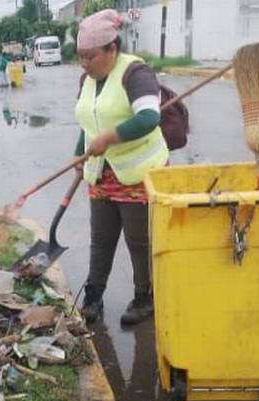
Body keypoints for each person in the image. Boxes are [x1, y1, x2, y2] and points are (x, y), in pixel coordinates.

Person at [73, 9, 169, 326]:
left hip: (139, 175)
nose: (85, 63)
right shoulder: (87, 80)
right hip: (101, 173)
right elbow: (88, 122)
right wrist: (79, 155)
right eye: (81, 57)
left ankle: (145, 298)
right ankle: (93, 298)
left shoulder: (135, 73)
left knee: (138, 242)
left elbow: (149, 117)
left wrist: (111, 137)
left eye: (91, 56)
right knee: (101, 239)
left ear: (112, 48)